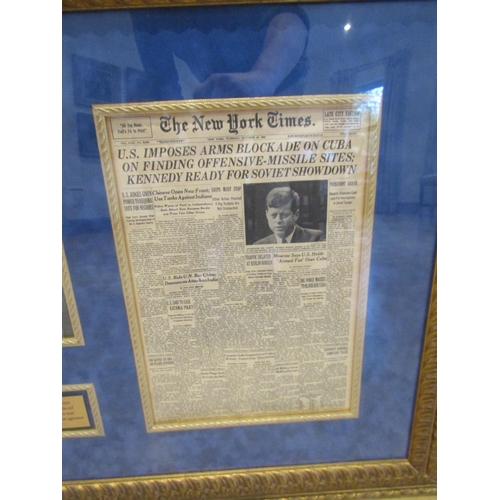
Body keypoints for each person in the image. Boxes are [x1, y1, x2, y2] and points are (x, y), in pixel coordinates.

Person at [253, 187, 325, 245]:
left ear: (296, 215)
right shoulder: (259, 245)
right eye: (273, 215)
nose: (278, 221)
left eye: (284, 215)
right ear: (267, 215)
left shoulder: (316, 238)